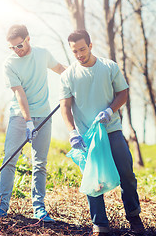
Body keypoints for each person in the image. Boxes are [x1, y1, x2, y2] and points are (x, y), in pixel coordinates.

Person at [59, 30, 144, 235]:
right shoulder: (68, 75)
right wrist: (72, 132)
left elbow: (122, 93)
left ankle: (134, 218)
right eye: (74, 51)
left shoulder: (109, 67)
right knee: (92, 179)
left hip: (111, 130)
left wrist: (109, 110)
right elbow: (65, 106)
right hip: (87, 136)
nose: (79, 54)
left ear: (90, 45)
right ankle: (100, 224)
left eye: (82, 49)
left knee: (127, 174)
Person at [0, 24, 66, 221]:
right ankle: (0, 208)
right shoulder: (9, 64)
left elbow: (59, 69)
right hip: (19, 117)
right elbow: (19, 93)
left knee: (40, 163)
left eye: (20, 45)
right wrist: (28, 122)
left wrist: (77, 78)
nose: (17, 50)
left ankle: (39, 209)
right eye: (13, 47)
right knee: (9, 161)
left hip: (44, 116)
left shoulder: (42, 54)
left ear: (28, 38)